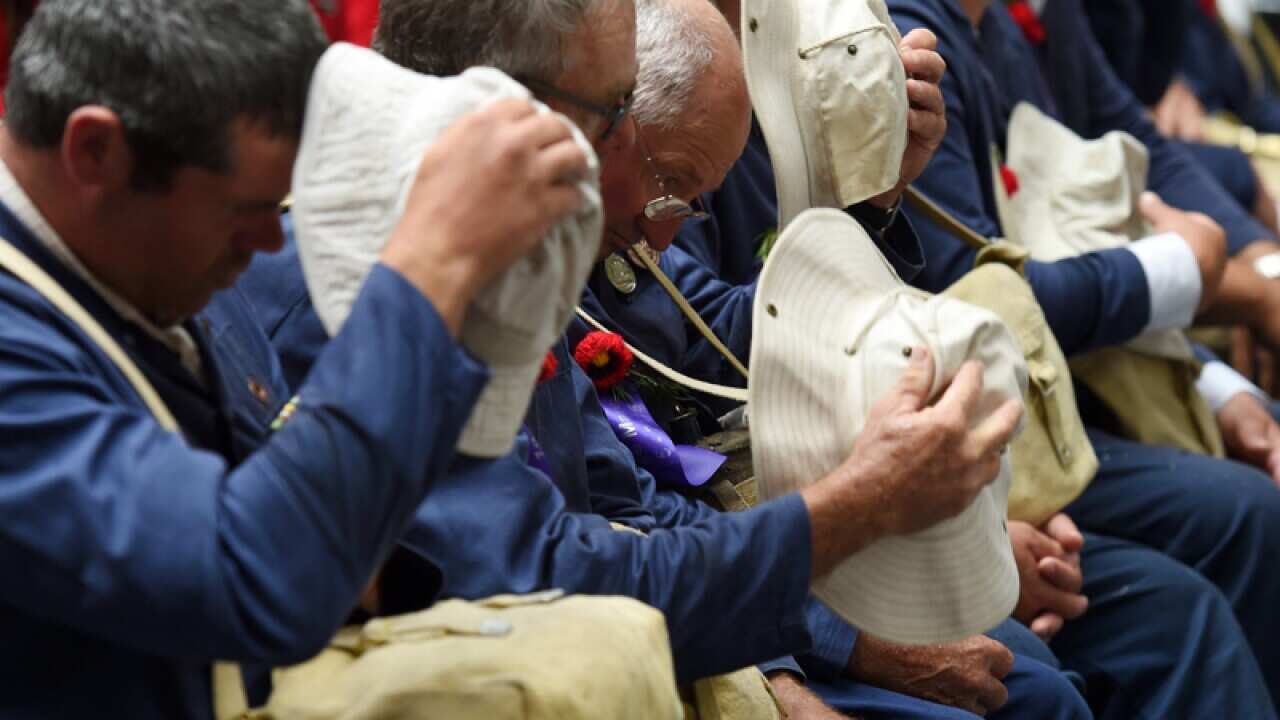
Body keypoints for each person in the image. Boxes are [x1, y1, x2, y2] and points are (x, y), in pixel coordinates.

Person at [238, 1, 1098, 718]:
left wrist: (838, 605)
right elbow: (538, 575)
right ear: (507, 103)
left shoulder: (501, 237)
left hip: (629, 622)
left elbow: (623, 500)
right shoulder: (359, 280)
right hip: (541, 663)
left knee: (1028, 678)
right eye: (614, 113)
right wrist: (850, 532)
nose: (618, 147)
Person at [570, 0, 1277, 717]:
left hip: (793, 497)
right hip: (759, 523)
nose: (662, 234)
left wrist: (877, 196)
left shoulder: (989, 22)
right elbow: (604, 520)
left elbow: (721, 337)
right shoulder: (568, 218)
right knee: (1058, 671)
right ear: (600, 125)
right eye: (677, 191)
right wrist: (816, 655)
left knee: (1158, 611)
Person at [0, 1, 598, 718]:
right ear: (95, 153)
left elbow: (298, 528)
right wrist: (430, 260)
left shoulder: (150, 265)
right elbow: (261, 580)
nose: (270, 242)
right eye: (243, 209)